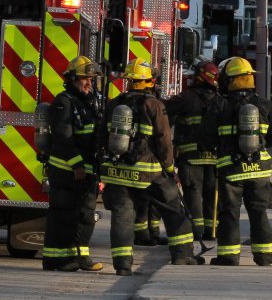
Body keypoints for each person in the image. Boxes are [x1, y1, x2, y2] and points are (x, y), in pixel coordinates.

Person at [99, 59, 200, 275]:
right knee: (174, 208)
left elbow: (101, 136)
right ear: (150, 81)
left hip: (117, 171)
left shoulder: (114, 103)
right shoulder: (154, 105)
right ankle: (183, 255)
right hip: (148, 171)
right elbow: (164, 140)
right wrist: (169, 169)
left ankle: (122, 265)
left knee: (122, 216)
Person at [213, 56, 272, 266]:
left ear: (229, 80)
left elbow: (206, 136)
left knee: (229, 214)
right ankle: (266, 256)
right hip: (259, 169)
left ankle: (228, 256)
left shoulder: (220, 106)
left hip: (231, 170)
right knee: (259, 212)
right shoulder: (263, 105)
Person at [39, 56, 104, 273]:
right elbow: (63, 137)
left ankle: (74, 258)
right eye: (85, 78)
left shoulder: (89, 103)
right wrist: (77, 165)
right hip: (67, 171)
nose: (89, 83)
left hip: (85, 171)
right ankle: (56, 259)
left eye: (91, 79)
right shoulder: (63, 102)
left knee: (83, 215)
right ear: (73, 79)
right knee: (64, 215)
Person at [164, 60, 223, 243]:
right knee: (212, 193)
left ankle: (195, 232)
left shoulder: (186, 98)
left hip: (191, 158)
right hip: (215, 158)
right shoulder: (221, 101)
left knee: (193, 194)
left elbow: (162, 109)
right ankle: (211, 231)